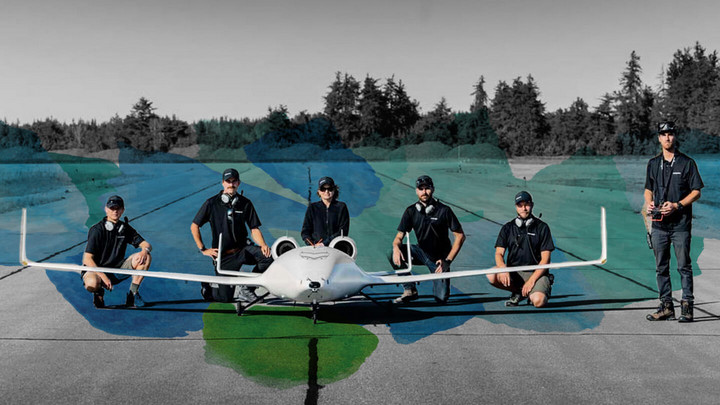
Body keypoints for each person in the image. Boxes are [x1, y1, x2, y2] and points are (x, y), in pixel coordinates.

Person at [644, 121, 703, 322]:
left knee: (683, 265)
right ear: (659, 138)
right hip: (659, 224)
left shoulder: (687, 163)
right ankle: (666, 307)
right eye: (663, 134)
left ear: (674, 137)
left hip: (680, 225)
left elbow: (696, 192)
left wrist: (677, 205)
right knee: (661, 266)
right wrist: (650, 204)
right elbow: (648, 189)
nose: (667, 138)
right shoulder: (653, 164)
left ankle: (687, 307)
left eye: (670, 134)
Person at [191, 168, 273, 302]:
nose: (231, 184)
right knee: (224, 298)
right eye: (228, 181)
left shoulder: (245, 203)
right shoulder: (211, 203)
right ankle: (209, 288)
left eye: (234, 181)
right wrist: (203, 249)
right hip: (224, 256)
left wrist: (263, 244)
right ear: (223, 183)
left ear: (238, 183)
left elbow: (254, 229)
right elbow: (194, 226)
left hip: (242, 250)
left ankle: (247, 289)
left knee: (267, 258)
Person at [391, 175, 465, 304]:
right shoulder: (411, 211)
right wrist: (396, 247)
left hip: (439, 260)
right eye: (421, 189)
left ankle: (440, 286)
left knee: (441, 299)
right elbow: (399, 236)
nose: (424, 192)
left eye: (427, 188)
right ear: (416, 191)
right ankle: (410, 290)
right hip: (420, 252)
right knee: (391, 253)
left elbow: (460, 236)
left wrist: (447, 260)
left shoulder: (444, 210)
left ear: (433, 189)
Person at [82, 195, 152, 309]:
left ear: (122, 210)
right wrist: (103, 276)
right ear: (106, 209)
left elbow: (146, 244)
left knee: (146, 257)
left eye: (118, 209)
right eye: (112, 208)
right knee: (92, 283)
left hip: (116, 270)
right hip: (96, 272)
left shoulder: (124, 229)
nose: (115, 211)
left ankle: (133, 294)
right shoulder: (97, 230)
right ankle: (98, 292)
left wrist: (144, 251)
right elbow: (87, 259)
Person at [488, 191, 555, 308]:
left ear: (532, 205)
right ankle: (518, 291)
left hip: (536, 273)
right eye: (520, 205)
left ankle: (533, 291)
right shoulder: (507, 228)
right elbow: (499, 253)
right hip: (515, 273)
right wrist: (503, 268)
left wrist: (531, 281)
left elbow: (545, 260)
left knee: (539, 301)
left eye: (527, 204)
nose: (524, 208)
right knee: (491, 274)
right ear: (516, 207)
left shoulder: (542, 227)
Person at [301, 176, 350, 247]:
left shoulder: (341, 207)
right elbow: (305, 232)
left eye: (329, 189)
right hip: (316, 249)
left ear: (334, 190)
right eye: (323, 189)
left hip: (336, 248)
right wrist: (312, 244)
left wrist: (324, 243)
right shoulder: (312, 208)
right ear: (319, 191)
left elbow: (343, 231)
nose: (326, 191)